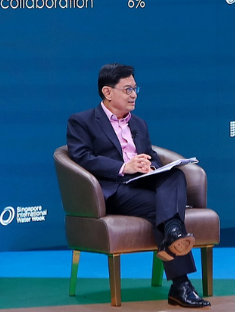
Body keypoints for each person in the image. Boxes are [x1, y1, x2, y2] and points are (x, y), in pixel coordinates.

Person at [65, 63, 210, 308]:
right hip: (115, 190)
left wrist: (150, 166)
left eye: (135, 89)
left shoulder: (139, 124)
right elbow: (82, 157)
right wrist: (124, 167)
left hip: (144, 184)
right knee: (165, 209)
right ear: (107, 92)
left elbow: (151, 155)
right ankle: (181, 282)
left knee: (175, 176)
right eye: (128, 89)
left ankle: (173, 235)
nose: (134, 95)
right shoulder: (82, 121)